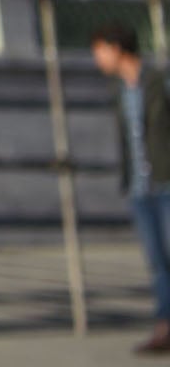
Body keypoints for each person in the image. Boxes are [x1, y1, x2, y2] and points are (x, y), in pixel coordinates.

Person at [91, 22, 170, 354]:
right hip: (139, 186)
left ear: (117, 47)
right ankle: (165, 327)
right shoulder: (118, 89)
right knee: (156, 261)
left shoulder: (158, 81)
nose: (97, 59)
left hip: (167, 181)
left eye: (100, 51)